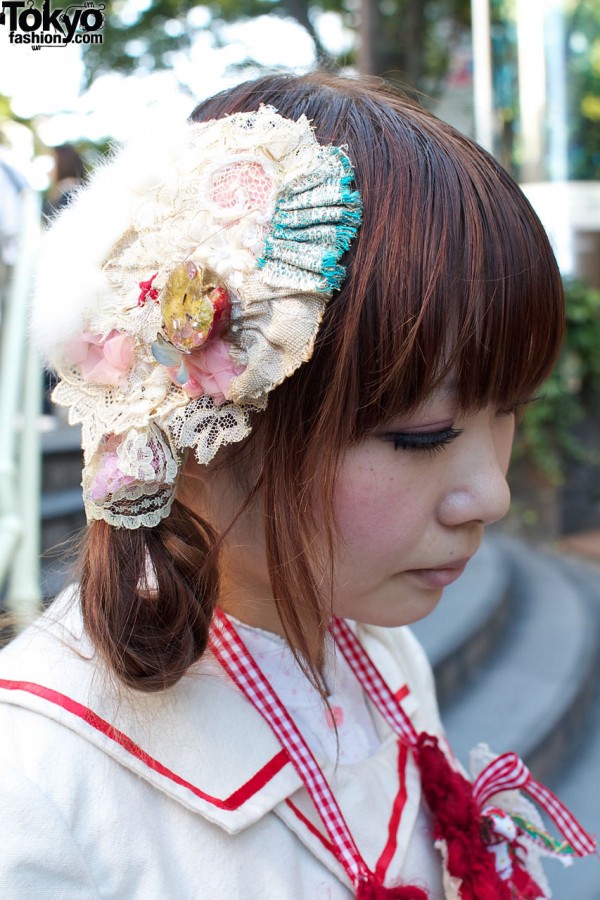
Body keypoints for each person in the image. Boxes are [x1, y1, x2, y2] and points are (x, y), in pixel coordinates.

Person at [0, 73, 594, 899]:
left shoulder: (373, 643)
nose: (490, 494)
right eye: (420, 436)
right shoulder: (37, 792)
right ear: (204, 423)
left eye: (511, 411)